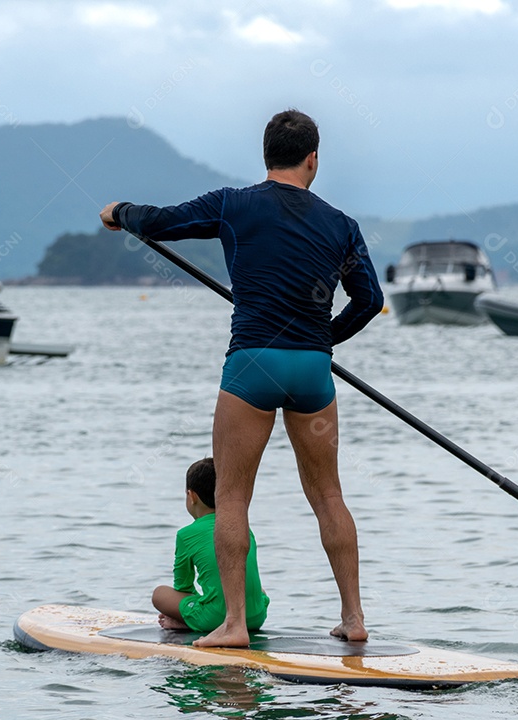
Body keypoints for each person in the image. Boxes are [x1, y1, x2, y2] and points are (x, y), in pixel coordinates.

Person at [100, 109, 383, 647]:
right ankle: (354, 619)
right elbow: (370, 300)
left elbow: (160, 222)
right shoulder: (341, 225)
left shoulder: (233, 205)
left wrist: (120, 211)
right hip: (312, 372)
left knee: (231, 500)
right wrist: (324, 340)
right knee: (329, 496)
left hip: (253, 364)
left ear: (266, 157)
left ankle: (233, 626)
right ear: (313, 160)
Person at [152, 457, 270, 634]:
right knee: (256, 588)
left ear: (192, 497)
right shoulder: (243, 526)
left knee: (159, 594)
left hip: (215, 616)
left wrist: (191, 612)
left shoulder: (185, 535)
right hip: (256, 616)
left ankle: (191, 623)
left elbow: (183, 587)